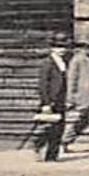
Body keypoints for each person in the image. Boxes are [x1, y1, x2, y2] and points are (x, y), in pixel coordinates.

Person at [30, 31, 70, 162]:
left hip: (61, 100)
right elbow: (43, 85)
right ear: (52, 48)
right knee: (53, 129)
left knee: (59, 129)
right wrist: (46, 103)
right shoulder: (48, 63)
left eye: (63, 47)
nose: (62, 50)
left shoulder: (64, 62)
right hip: (52, 101)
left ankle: (51, 154)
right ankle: (44, 148)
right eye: (58, 47)